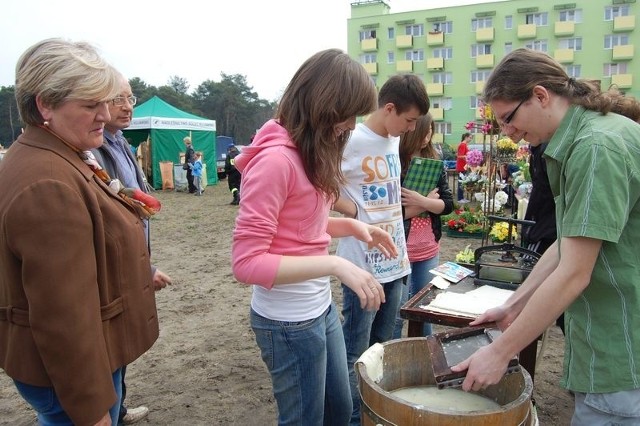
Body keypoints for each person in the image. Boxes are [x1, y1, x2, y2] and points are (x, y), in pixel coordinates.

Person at [451, 48, 640, 425]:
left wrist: (501, 351)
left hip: (621, 344)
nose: (508, 133)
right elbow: (566, 244)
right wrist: (514, 305)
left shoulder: (594, 147)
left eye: (508, 118)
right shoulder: (588, 136)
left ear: (540, 95)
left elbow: (574, 271)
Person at [231, 48, 398, 426]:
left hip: (318, 309)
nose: (352, 125)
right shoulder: (276, 162)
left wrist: (353, 227)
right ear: (324, 105)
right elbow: (246, 263)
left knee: (339, 412)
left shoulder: (307, 154)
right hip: (287, 323)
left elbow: (301, 228)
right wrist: (336, 263)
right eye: (349, 114)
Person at [0, 38, 159, 426]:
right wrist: (91, 413)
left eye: (105, 102)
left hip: (87, 361)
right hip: (72, 374)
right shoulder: (49, 182)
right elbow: (63, 318)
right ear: (45, 105)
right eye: (90, 105)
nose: (105, 114)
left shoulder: (59, 156)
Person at [332, 73, 429, 425]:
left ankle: (375, 413)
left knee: (385, 349)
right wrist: (356, 211)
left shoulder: (391, 138)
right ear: (389, 108)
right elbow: (323, 185)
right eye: (409, 120)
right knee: (355, 349)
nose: (411, 128)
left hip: (396, 262)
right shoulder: (352, 140)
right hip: (362, 265)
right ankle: (352, 416)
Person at [92, 73, 173, 425]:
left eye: (130, 98)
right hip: (113, 263)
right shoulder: (91, 149)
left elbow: (134, 197)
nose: (127, 107)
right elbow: (111, 215)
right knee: (108, 343)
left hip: (131, 254)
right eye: (117, 99)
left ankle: (118, 408)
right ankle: (108, 410)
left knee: (119, 342)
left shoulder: (120, 140)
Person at [392, 112, 454, 339]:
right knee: (397, 314)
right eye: (425, 130)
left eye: (431, 131)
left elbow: (447, 204)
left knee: (425, 308)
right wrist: (424, 205)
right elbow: (391, 213)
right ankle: (394, 356)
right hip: (400, 249)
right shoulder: (394, 160)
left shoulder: (434, 162)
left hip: (428, 247)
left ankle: (426, 358)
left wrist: (423, 202)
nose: (428, 136)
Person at [456, 132, 471, 202]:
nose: (470, 139)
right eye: (470, 137)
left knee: (463, 182)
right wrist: (468, 157)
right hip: (461, 166)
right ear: (466, 137)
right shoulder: (462, 145)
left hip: (464, 166)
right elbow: (459, 156)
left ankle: (462, 197)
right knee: (461, 182)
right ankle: (460, 198)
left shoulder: (464, 145)